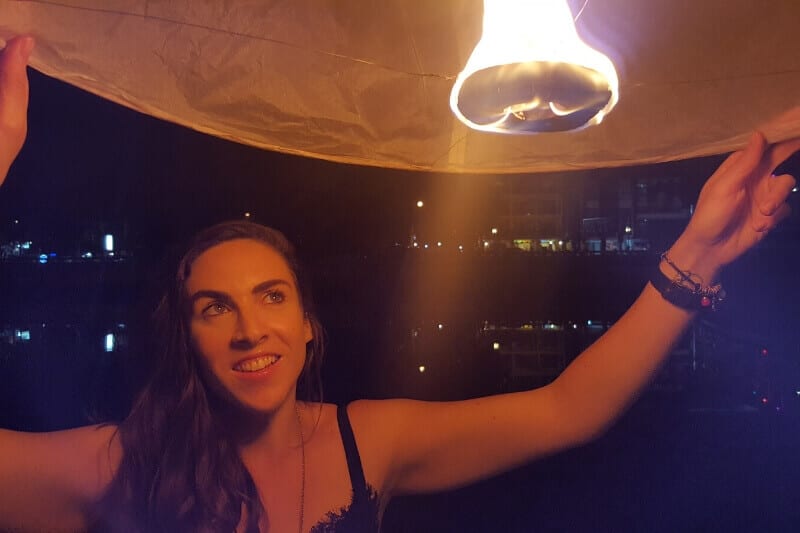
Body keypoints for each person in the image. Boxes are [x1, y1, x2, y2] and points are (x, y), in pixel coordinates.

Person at [1, 35, 799, 533]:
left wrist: (700, 250)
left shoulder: (368, 441)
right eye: (216, 308)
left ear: (308, 323)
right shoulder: (121, 463)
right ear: (186, 335)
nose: (251, 329)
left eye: (271, 296)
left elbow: (569, 407)